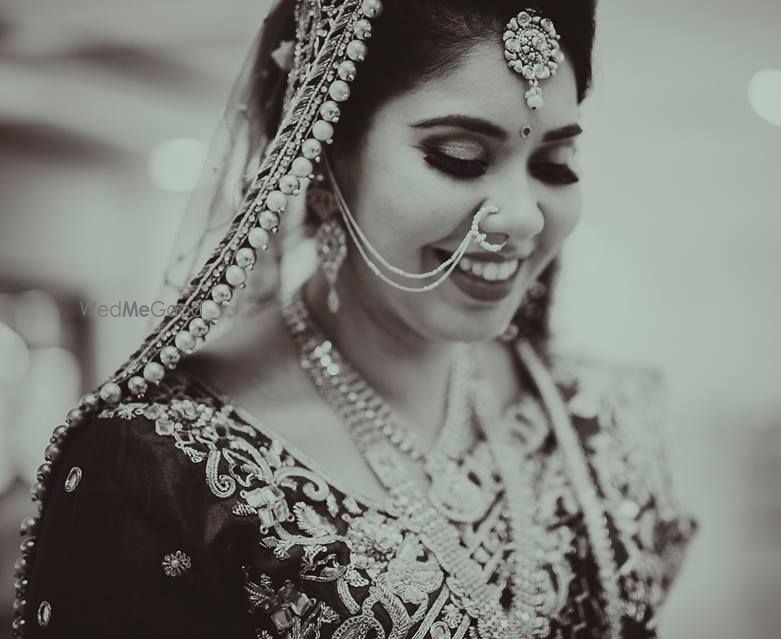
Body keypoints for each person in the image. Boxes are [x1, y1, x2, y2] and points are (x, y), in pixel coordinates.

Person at [12, 0, 698, 637]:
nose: (521, 216)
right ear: (320, 159)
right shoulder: (156, 468)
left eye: (554, 163)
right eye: (460, 158)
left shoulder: (605, 418)